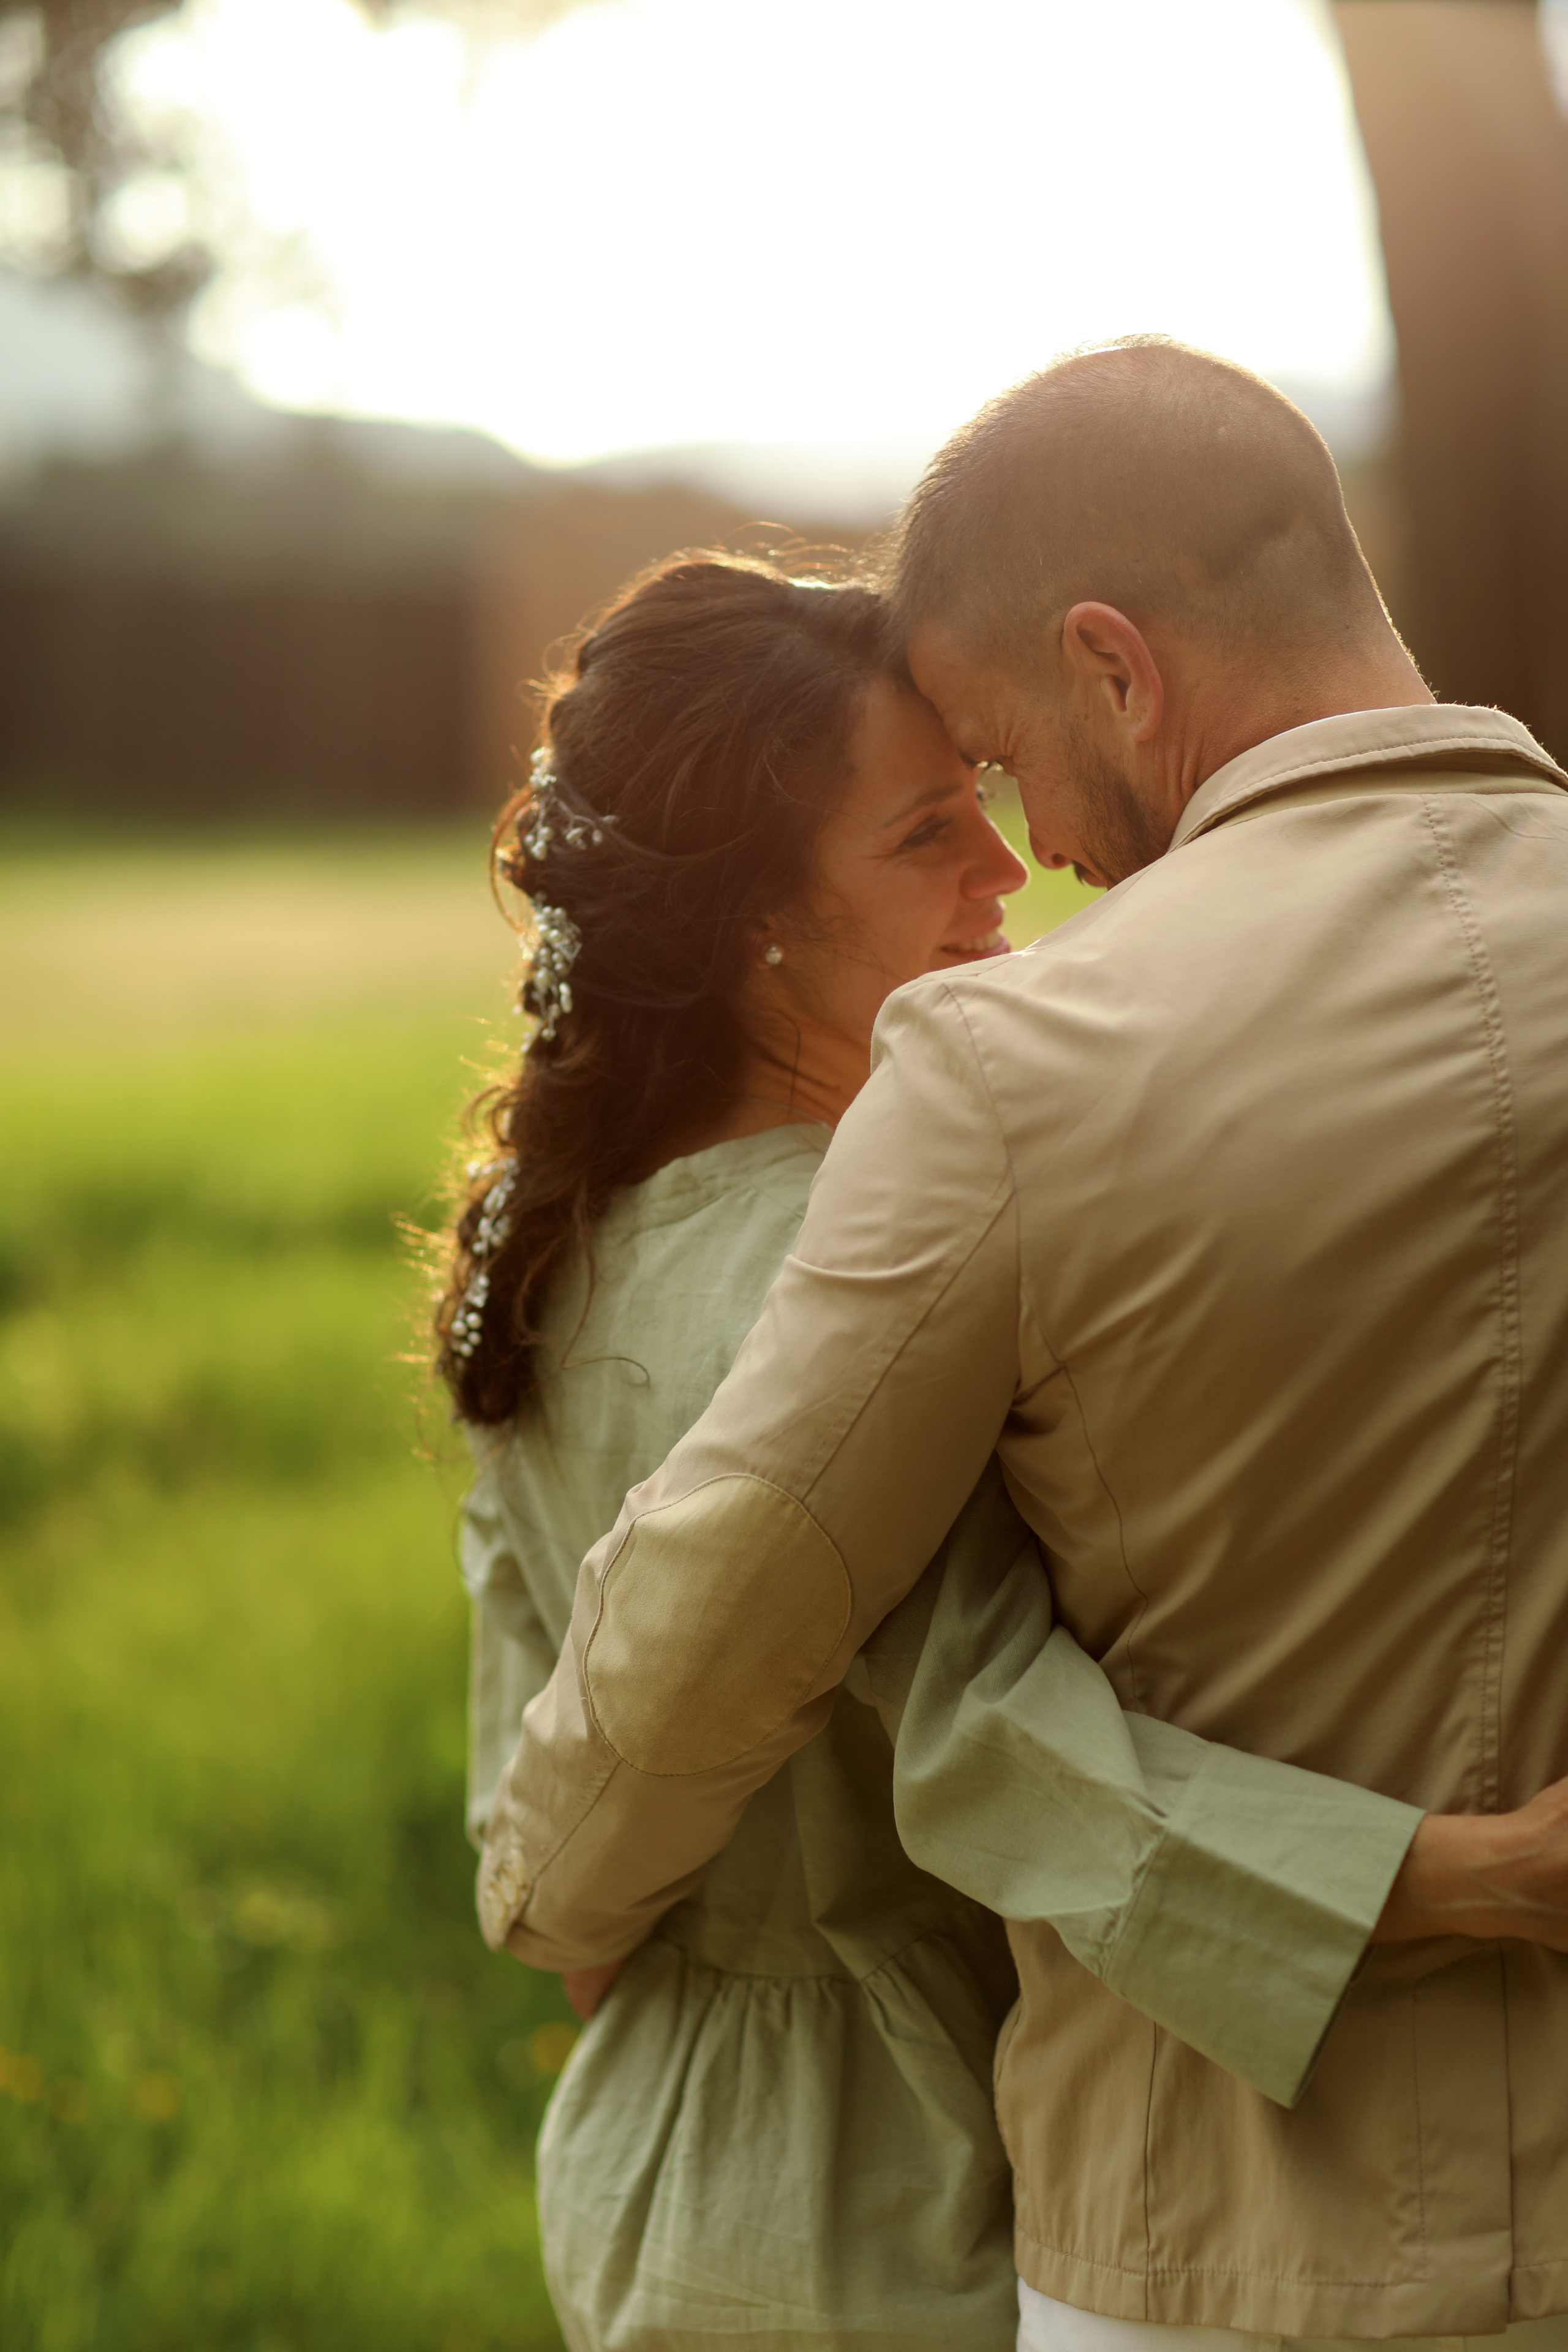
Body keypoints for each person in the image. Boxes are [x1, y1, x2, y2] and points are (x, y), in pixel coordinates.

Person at [477, 345, 1568, 2348]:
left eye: (999, 767)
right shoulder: (800, 1204)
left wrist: (542, 1885)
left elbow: (713, 1627)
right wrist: (1458, 1871)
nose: (1032, 857)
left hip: (1077, 2212)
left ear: (1115, 667)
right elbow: (956, 1701)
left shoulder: (943, 1101)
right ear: (748, 926)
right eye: (936, 828)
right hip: (903, 2177)